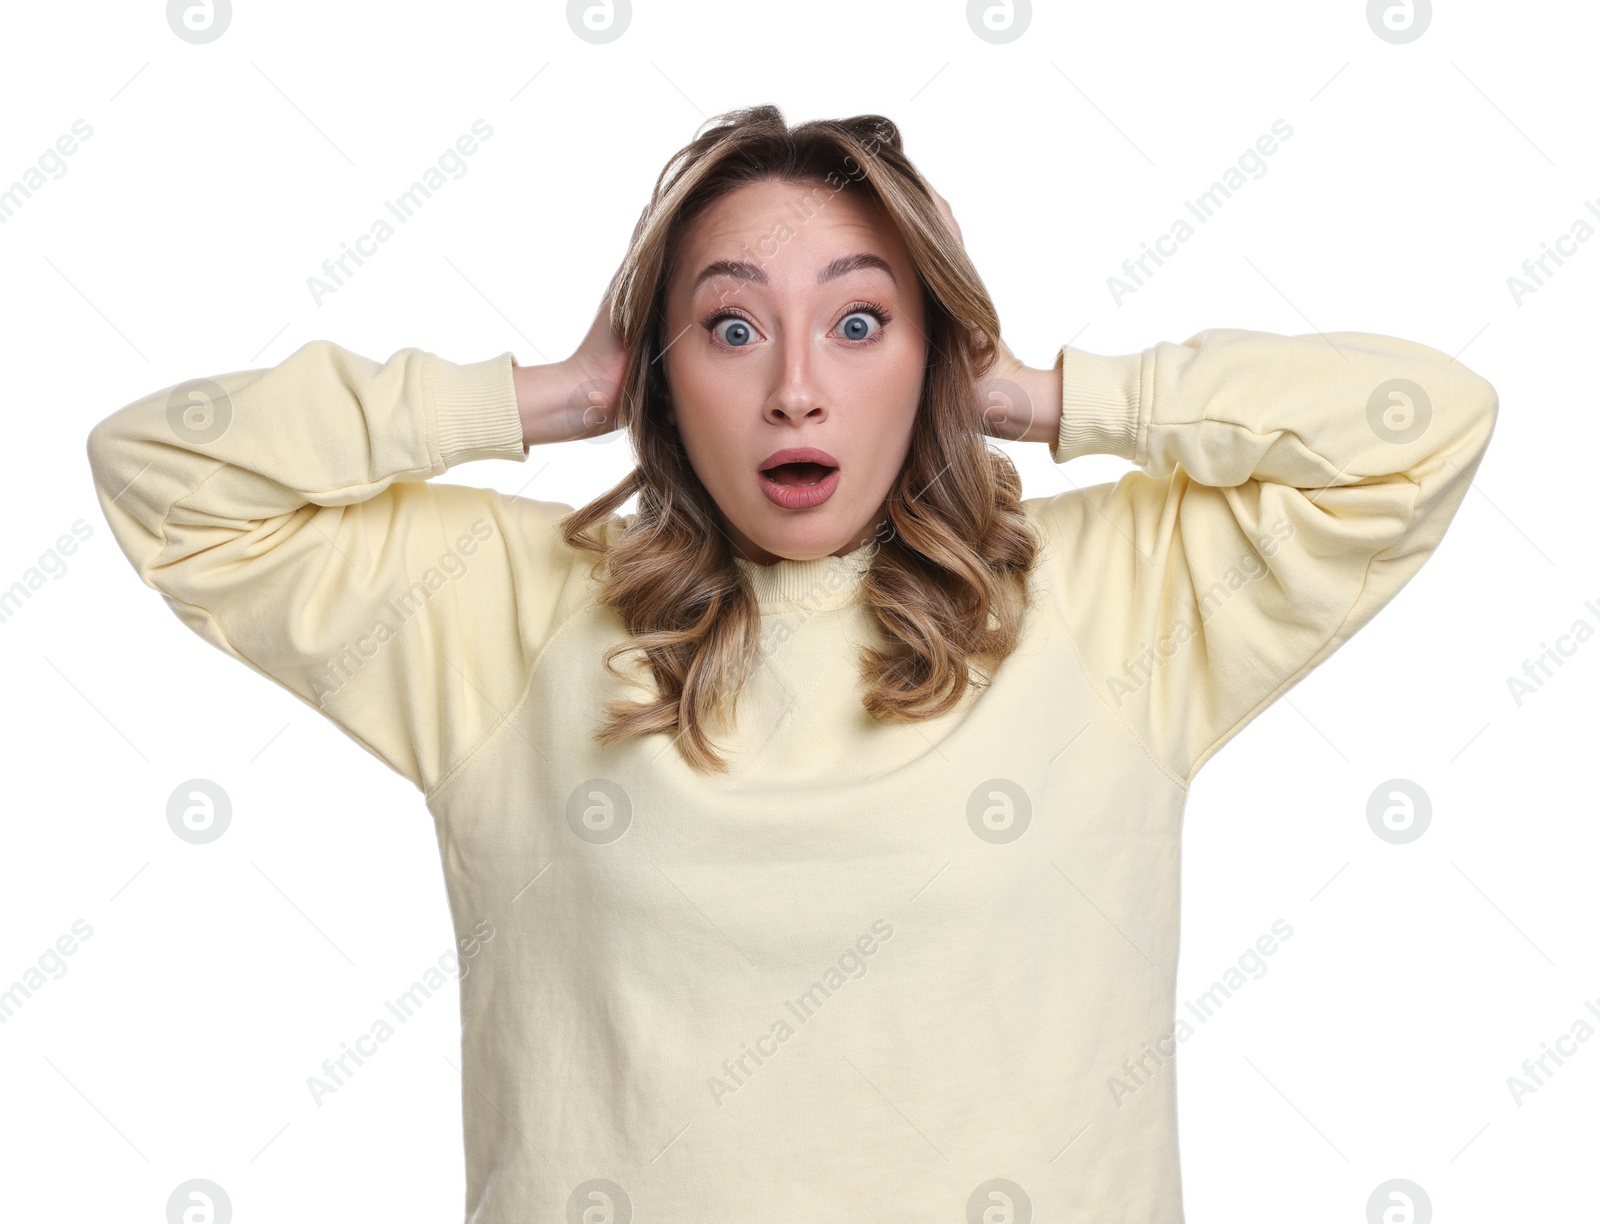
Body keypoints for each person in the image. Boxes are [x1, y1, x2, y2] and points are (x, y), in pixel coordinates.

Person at [85, 104, 1498, 1222]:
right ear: (663, 370)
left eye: (864, 321)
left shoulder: (1115, 599)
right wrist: (552, 393)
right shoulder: (501, 611)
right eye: (733, 326)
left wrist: (1040, 392)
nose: (798, 387)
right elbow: (166, 475)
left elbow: (1421, 429)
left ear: (929, 350)